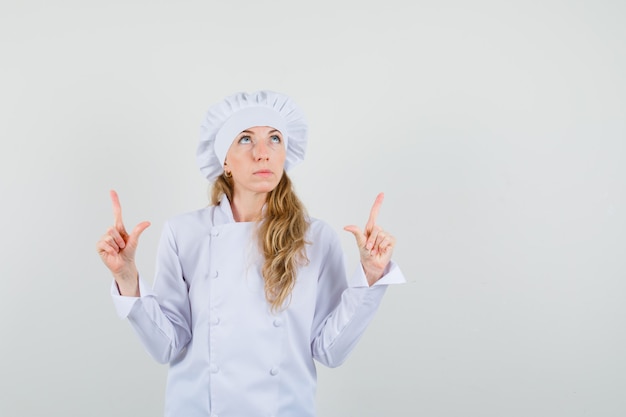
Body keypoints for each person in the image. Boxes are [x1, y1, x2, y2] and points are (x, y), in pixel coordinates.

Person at [96, 90, 406, 417]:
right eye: (245, 139)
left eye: (274, 139)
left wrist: (371, 277)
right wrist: (126, 277)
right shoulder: (184, 233)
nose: (263, 153)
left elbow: (330, 350)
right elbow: (166, 346)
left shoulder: (316, 237)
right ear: (225, 161)